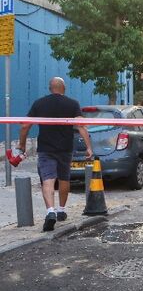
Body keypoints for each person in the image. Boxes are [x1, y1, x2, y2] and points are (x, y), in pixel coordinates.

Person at [17, 77, 93, 232]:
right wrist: (89, 147)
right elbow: (81, 126)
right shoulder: (72, 104)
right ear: (63, 88)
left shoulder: (39, 103)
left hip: (46, 148)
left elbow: (25, 125)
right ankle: (61, 210)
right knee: (64, 178)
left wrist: (22, 145)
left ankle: (50, 211)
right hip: (65, 148)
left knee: (48, 179)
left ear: (50, 88)